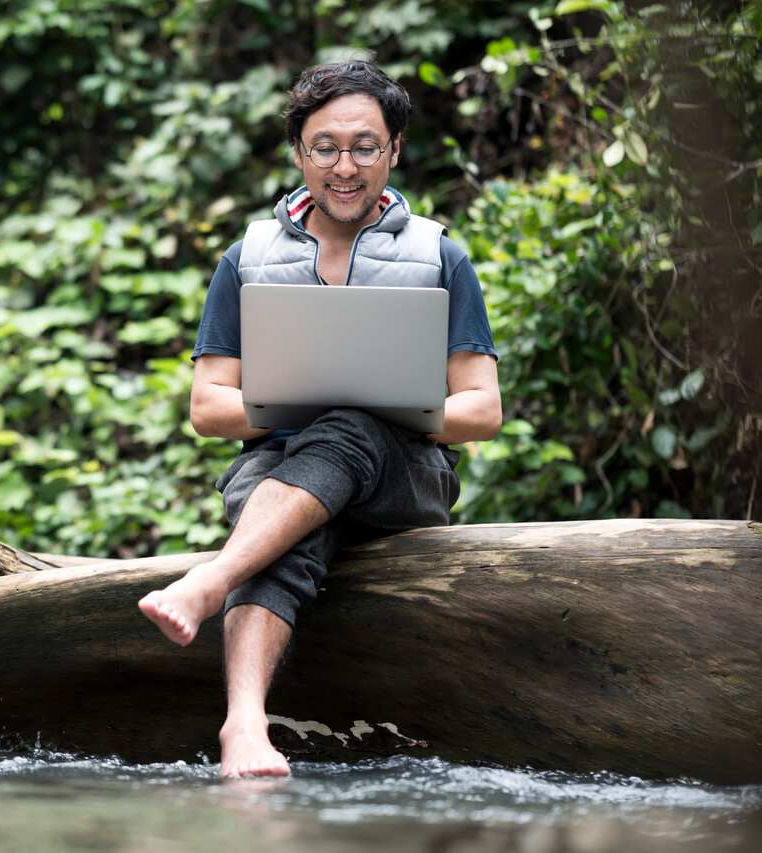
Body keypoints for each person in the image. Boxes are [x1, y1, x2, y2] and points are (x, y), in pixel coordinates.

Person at [138, 60, 502, 779]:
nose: (344, 166)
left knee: (353, 428)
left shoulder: (439, 255)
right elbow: (209, 407)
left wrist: (392, 410)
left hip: (405, 475)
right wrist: (299, 403)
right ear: (299, 152)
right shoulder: (248, 257)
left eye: (365, 146)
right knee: (299, 499)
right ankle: (244, 726)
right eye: (324, 146)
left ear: (395, 149)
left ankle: (214, 580)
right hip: (278, 471)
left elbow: (482, 408)